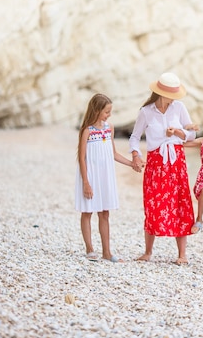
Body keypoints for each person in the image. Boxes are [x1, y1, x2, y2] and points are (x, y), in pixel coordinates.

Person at [129, 72, 196, 266]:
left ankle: (182, 254)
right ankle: (148, 252)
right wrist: (135, 154)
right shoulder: (146, 112)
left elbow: (191, 134)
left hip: (176, 163)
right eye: (171, 94)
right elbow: (134, 137)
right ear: (160, 93)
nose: (175, 98)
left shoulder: (179, 107)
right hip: (156, 163)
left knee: (180, 203)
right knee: (153, 204)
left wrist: (177, 132)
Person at [75, 93, 136, 263]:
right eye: (106, 112)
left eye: (110, 112)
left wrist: (131, 164)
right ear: (96, 110)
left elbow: (114, 153)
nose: (109, 115)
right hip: (90, 176)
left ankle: (107, 252)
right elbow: (81, 158)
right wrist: (86, 182)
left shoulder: (109, 128)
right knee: (87, 212)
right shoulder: (87, 130)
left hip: (105, 176)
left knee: (104, 213)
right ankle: (89, 248)